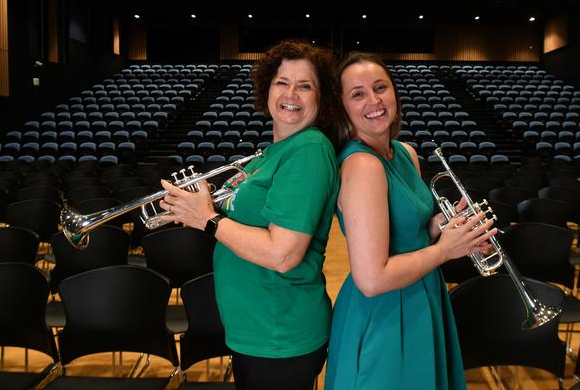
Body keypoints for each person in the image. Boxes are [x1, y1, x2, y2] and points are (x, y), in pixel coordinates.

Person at [159, 40, 340, 390]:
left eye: (305, 86)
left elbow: (283, 253)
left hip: (279, 334)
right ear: (266, 89)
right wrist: (199, 207)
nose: (292, 93)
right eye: (281, 82)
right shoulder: (270, 154)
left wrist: (209, 220)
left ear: (322, 98)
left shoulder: (309, 150)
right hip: (255, 330)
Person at [324, 52, 497, 390]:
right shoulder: (362, 166)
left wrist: (446, 227)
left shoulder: (405, 153)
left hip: (422, 292)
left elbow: (411, 231)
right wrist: (447, 250)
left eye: (380, 87)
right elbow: (372, 279)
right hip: (386, 310)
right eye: (357, 94)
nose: (373, 100)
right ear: (342, 106)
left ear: (394, 94)